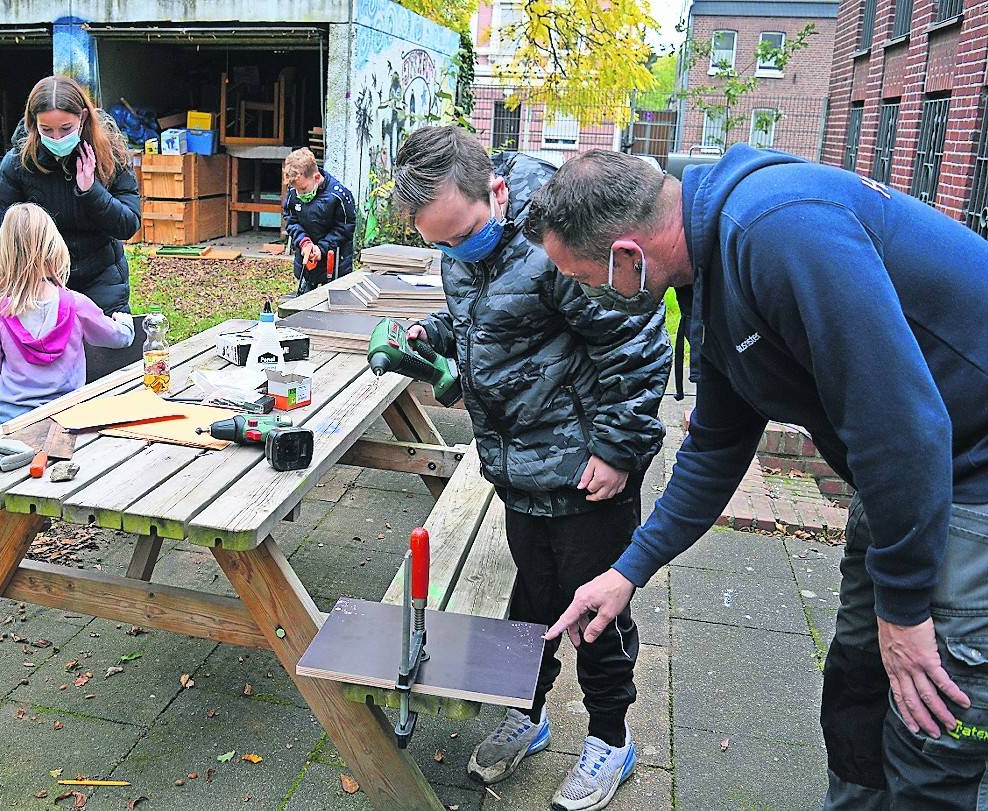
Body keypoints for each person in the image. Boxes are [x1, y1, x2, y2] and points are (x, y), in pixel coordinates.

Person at [526, 145, 988, 809]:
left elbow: (906, 430)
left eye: (587, 279)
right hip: (903, 480)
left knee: (935, 727)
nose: (588, 295)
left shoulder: (780, 230)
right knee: (858, 694)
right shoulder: (709, 270)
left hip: (969, 475)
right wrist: (628, 570)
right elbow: (716, 443)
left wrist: (908, 606)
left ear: (628, 253)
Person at [392, 126, 670, 810]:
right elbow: (481, 314)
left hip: (586, 471)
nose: (455, 249)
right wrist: (436, 330)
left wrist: (617, 448)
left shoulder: (561, 241)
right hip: (519, 468)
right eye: (441, 243)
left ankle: (610, 736)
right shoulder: (461, 243)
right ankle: (529, 709)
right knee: (533, 598)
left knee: (595, 613)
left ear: (496, 189)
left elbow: (635, 339)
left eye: (462, 232)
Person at [0, 202, 134, 545]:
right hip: (65, 421)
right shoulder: (75, 304)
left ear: (4, 255)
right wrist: (123, 320)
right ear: (54, 249)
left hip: (11, 422)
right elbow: (119, 338)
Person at [0, 75, 140, 316]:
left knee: (106, 351)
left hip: (101, 280)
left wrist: (91, 191)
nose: (57, 138)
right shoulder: (17, 164)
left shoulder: (110, 154)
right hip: (40, 284)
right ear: (34, 124)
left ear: (83, 117)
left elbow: (128, 225)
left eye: (66, 129)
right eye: (47, 130)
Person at [282, 147, 356, 294]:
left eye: (303, 189)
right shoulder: (293, 193)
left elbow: (345, 228)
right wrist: (303, 242)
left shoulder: (339, 196)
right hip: (306, 261)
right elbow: (291, 220)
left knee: (335, 304)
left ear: (316, 178)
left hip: (335, 262)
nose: (299, 194)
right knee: (302, 304)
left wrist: (321, 249)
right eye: (296, 189)